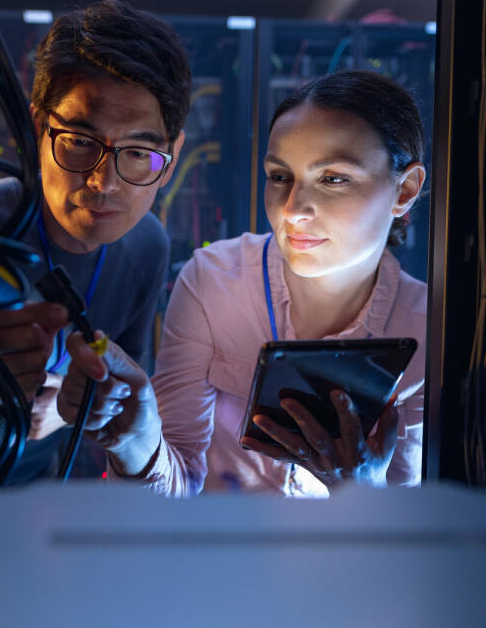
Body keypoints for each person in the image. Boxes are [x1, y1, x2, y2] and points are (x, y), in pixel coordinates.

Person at [57, 70, 427, 497]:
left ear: (405, 191)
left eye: (334, 179)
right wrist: (136, 440)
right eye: (280, 177)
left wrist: (363, 491)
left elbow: (408, 535)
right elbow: (175, 488)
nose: (293, 209)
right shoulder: (214, 281)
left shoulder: (424, 328)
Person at [0, 0, 192, 484]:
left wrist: (69, 410)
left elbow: (117, 400)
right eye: (80, 141)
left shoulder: (147, 245)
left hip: (42, 503)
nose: (105, 181)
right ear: (38, 128)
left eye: (139, 153)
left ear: (173, 154)